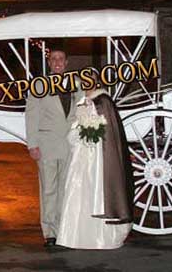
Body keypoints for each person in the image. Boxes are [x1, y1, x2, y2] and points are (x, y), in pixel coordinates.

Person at [56, 85, 134, 249]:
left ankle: (102, 236)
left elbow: (106, 130)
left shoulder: (102, 101)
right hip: (83, 155)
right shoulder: (85, 101)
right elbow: (77, 128)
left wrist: (86, 133)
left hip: (97, 157)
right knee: (80, 191)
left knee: (95, 190)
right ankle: (78, 235)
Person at [25, 49, 82, 247]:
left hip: (69, 145)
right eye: (53, 59)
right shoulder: (39, 85)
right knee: (49, 190)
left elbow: (83, 109)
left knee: (66, 189)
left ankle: (63, 229)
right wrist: (32, 144)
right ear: (49, 63)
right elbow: (31, 116)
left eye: (61, 59)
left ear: (67, 62)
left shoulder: (77, 83)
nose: (57, 62)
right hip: (46, 145)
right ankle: (49, 231)